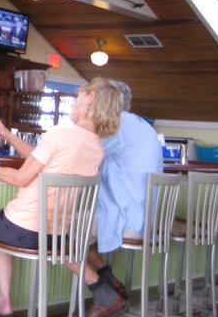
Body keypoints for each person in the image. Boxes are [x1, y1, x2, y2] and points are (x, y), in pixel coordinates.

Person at [0, 77, 125, 317]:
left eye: (78, 96)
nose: (74, 102)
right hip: (56, 235)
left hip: (25, 228)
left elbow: (21, 178)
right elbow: (43, 156)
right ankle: (4, 305)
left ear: (91, 98)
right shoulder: (96, 147)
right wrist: (7, 134)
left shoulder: (61, 133)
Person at [82, 80, 164, 301]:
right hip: (148, 219)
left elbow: (83, 153)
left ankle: (103, 294)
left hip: (129, 220)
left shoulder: (116, 125)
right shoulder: (143, 125)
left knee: (64, 229)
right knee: (81, 232)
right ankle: (107, 278)